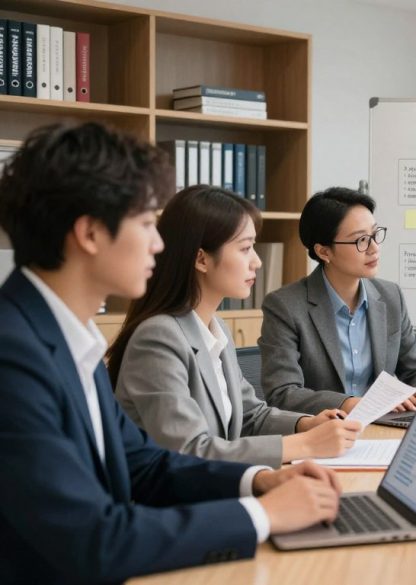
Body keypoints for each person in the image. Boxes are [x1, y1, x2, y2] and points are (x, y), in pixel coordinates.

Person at [0, 122, 345, 583]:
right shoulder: (13, 356)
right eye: (146, 224)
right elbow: (93, 540)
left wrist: (259, 481)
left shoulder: (64, 339)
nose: (160, 244)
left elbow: (144, 464)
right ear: (89, 233)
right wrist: (263, 516)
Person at [107, 186, 362, 468]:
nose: (257, 261)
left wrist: (306, 424)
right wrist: (304, 445)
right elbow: (190, 450)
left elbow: (251, 416)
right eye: (245, 248)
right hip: (174, 504)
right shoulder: (158, 338)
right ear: (201, 259)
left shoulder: (215, 329)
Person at [259, 187, 416, 415]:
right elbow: (283, 393)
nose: (374, 248)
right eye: (361, 240)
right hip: (321, 433)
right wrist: (351, 403)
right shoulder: (285, 306)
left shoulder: (390, 297)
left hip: (383, 426)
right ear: (324, 252)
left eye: (374, 234)